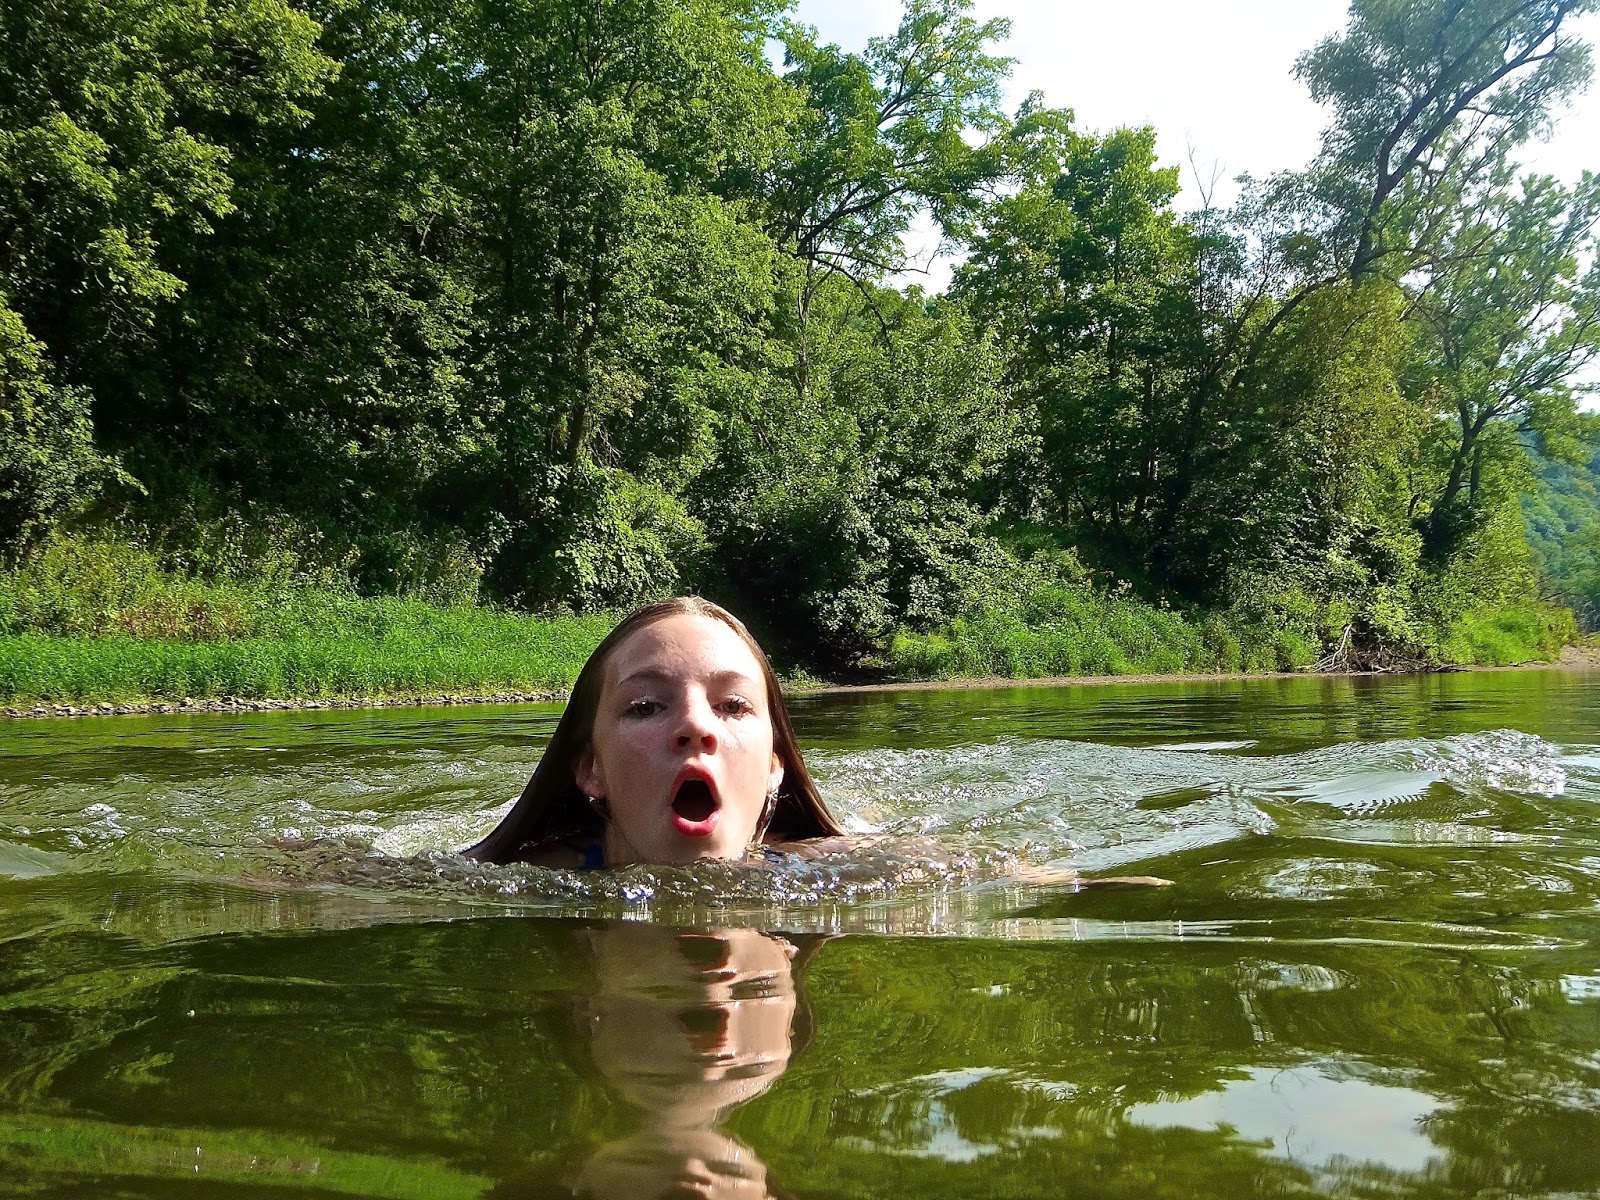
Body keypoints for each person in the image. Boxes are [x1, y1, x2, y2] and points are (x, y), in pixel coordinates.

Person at [465, 597, 843, 868]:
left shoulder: (838, 868)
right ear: (592, 769)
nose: (696, 725)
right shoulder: (528, 878)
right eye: (645, 707)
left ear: (774, 767)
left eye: (732, 705)